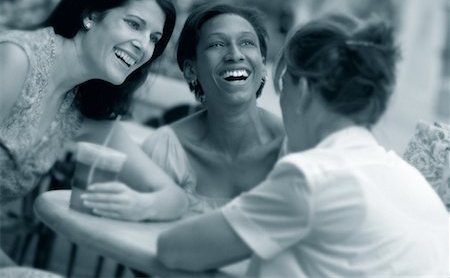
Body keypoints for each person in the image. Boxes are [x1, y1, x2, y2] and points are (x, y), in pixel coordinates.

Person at [156, 14, 449, 277]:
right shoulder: (407, 178)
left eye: (284, 84)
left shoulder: (312, 178)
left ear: (304, 91)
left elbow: (175, 250)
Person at [0, 0, 188, 272]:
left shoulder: (81, 109)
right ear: (91, 15)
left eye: (154, 38)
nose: (143, 46)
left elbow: (175, 197)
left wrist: (138, 205)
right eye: (134, 24)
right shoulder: (16, 59)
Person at [80, 3, 284, 217]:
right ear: (190, 70)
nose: (235, 54)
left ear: (262, 65)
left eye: (247, 43)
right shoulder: (166, 151)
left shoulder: (295, 147)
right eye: (217, 44)